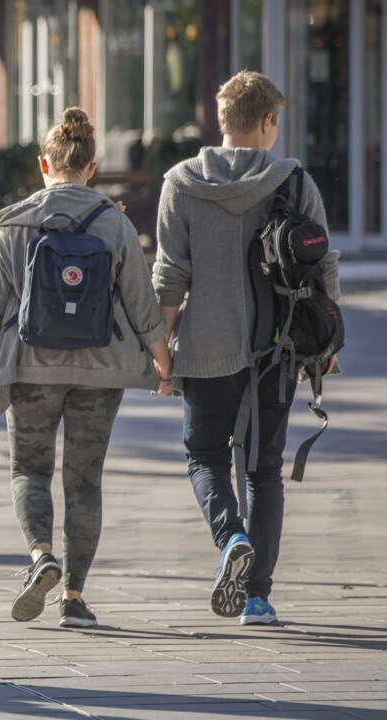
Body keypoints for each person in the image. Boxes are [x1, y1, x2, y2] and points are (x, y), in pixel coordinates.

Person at [0, 108, 172, 628]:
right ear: (91, 168)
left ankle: (40, 556)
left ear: (43, 164)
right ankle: (73, 597)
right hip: (102, 371)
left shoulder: (15, 224)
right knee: (84, 479)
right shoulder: (115, 224)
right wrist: (163, 365)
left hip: (29, 368)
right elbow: (143, 306)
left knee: (29, 469)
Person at [153, 71, 338, 625]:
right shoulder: (294, 181)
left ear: (220, 120)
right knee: (263, 469)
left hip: (205, 345)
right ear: (268, 122)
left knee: (205, 455)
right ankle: (255, 597)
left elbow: (169, 276)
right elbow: (322, 261)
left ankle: (229, 536)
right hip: (278, 345)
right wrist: (328, 342)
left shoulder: (181, 183)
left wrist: (160, 350)